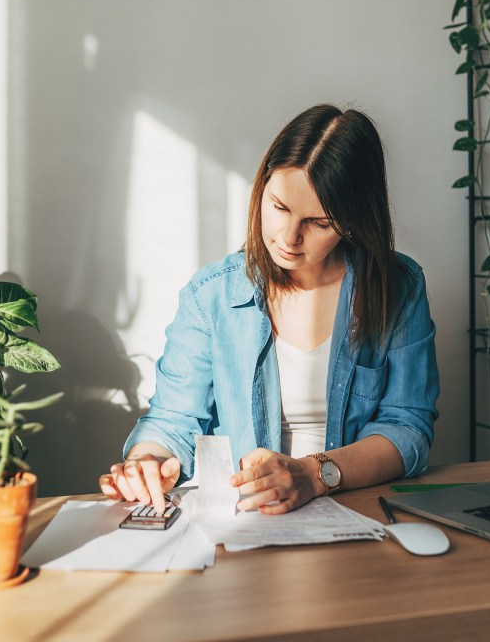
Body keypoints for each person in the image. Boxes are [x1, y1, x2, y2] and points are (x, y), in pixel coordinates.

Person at [98, 104, 440, 516]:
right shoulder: (211, 296)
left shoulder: (398, 287)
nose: (289, 237)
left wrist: (314, 475)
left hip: (357, 507)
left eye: (318, 222)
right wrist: (146, 463)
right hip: (248, 518)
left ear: (351, 222)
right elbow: (172, 420)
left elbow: (407, 428)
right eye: (279, 207)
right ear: (261, 188)